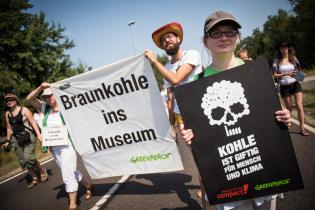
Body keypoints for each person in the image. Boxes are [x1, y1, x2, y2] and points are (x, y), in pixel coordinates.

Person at [180, 11, 292, 210]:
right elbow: (201, 140)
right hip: (229, 185)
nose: (224, 37)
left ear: (238, 37)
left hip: (266, 173)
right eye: (216, 33)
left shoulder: (257, 72)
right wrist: (190, 138)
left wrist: (283, 119)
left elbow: (274, 113)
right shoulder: (198, 83)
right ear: (205, 41)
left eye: (230, 32)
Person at [26, 83, 92, 210]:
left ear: (56, 95)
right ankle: (88, 185)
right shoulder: (45, 108)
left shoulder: (65, 107)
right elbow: (29, 99)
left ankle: (73, 204)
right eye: (45, 97)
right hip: (55, 149)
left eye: (50, 96)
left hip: (67, 146)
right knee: (70, 171)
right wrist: (40, 88)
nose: (47, 99)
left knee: (67, 174)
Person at [145, 22, 202, 141]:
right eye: (163, 40)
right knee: (191, 153)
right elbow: (170, 99)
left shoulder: (191, 54)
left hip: (199, 110)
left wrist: (155, 61)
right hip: (180, 116)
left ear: (178, 38)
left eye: (170, 36)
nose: (167, 40)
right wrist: (171, 126)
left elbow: (176, 79)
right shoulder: (166, 67)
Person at [2, 93, 48, 189]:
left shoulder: (24, 110)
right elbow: (9, 128)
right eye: (7, 101)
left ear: (16, 100)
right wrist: (7, 141)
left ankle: (42, 171)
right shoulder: (7, 113)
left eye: (10, 99)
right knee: (23, 160)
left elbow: (33, 123)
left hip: (28, 136)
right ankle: (34, 178)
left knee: (29, 158)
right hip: (16, 139)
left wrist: (39, 135)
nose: (9, 102)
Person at [272, 41, 309, 136]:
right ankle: (285, 126)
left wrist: (300, 79)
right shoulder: (277, 60)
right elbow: (274, 75)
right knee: (289, 108)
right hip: (285, 86)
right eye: (281, 47)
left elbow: (299, 69)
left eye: (285, 47)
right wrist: (285, 74)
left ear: (288, 48)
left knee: (299, 106)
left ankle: (302, 128)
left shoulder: (293, 58)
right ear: (279, 49)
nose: (284, 49)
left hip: (295, 84)